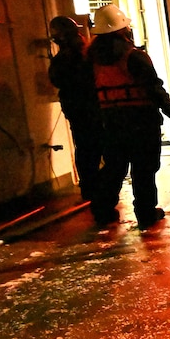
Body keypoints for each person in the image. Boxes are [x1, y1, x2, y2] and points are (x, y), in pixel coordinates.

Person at [87, 4, 170, 229]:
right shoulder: (134, 57)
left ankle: (102, 210)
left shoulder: (92, 61)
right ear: (123, 29)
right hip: (141, 121)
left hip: (111, 121)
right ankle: (146, 212)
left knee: (114, 168)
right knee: (144, 168)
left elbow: (91, 94)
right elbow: (154, 88)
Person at [47, 16, 104, 202]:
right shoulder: (86, 55)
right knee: (97, 146)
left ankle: (90, 187)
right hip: (91, 106)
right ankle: (97, 187)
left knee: (86, 147)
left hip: (77, 108)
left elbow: (56, 80)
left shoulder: (62, 60)